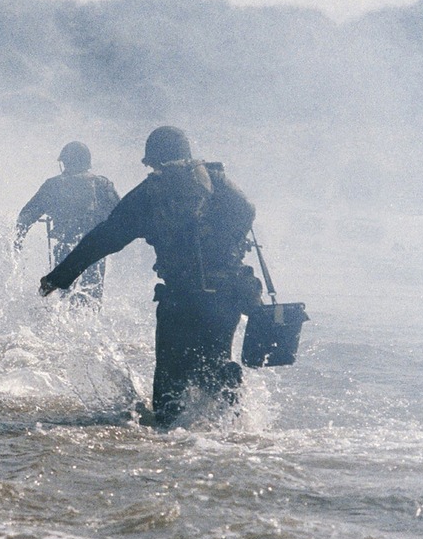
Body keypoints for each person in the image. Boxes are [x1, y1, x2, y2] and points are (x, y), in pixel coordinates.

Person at [39, 127, 262, 427]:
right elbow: (247, 211)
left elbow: (105, 238)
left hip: (179, 299)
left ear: (155, 159)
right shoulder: (219, 183)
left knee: (168, 394)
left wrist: (59, 276)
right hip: (225, 296)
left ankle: (174, 436)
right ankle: (233, 426)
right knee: (216, 360)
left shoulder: (149, 194)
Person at [14, 141, 119, 301]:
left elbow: (25, 217)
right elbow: (121, 215)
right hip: (94, 251)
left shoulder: (53, 185)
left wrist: (17, 243)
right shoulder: (102, 184)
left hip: (65, 250)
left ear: (65, 162)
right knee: (91, 300)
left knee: (65, 300)